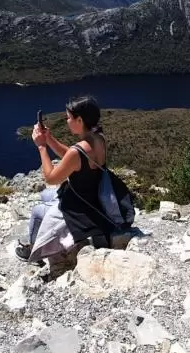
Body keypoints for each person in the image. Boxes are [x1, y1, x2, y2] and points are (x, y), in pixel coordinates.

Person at [16, 95, 116, 261]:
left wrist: (41, 147)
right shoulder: (98, 138)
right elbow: (75, 157)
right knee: (45, 195)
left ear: (79, 120)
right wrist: (49, 139)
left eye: (69, 117)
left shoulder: (78, 151)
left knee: (36, 211)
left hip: (80, 207)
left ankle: (34, 252)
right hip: (93, 197)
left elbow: (51, 178)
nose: (66, 120)